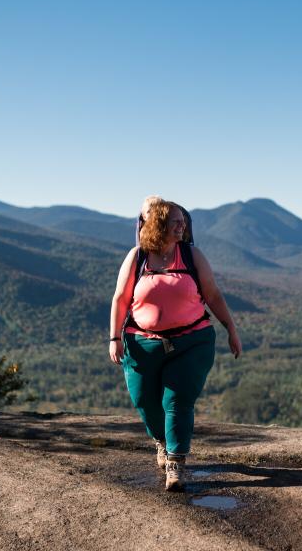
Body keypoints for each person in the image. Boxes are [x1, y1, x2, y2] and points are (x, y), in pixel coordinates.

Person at [109, 199, 241, 492]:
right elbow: (120, 299)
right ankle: (161, 440)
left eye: (184, 221)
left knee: (177, 402)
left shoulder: (192, 255)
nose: (182, 226)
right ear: (158, 225)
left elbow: (214, 295)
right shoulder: (138, 257)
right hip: (142, 343)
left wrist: (231, 328)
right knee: (145, 401)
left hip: (191, 341)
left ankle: (176, 462)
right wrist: (115, 337)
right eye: (175, 222)